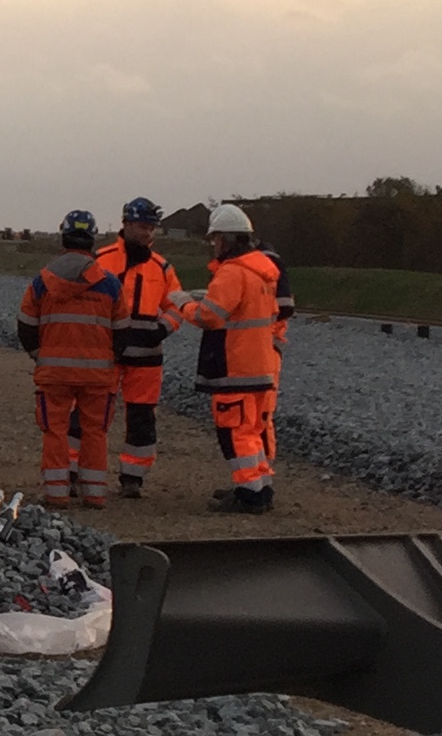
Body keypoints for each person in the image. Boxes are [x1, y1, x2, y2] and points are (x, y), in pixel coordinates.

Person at [165, 202, 293, 513]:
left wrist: (183, 303)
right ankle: (260, 487)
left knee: (236, 431)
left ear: (225, 239)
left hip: (235, 366)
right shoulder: (264, 271)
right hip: (260, 365)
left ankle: (249, 494)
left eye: (215, 239)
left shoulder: (233, 272)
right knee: (253, 430)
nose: (214, 245)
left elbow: (209, 317)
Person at [16, 210, 120, 508]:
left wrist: (40, 355)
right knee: (95, 431)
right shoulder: (110, 285)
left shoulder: (42, 282)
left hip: (55, 373)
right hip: (97, 376)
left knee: (55, 430)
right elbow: (123, 331)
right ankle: (94, 494)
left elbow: (26, 325)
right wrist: (109, 359)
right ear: (93, 240)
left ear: (63, 237)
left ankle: (57, 493)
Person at [86, 196, 179, 498]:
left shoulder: (162, 267)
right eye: (141, 226)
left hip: (147, 357)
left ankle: (133, 478)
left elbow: (177, 306)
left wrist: (162, 329)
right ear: (125, 225)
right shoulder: (101, 260)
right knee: (93, 413)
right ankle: (79, 471)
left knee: (142, 418)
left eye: (150, 228)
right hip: (108, 353)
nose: (147, 233)